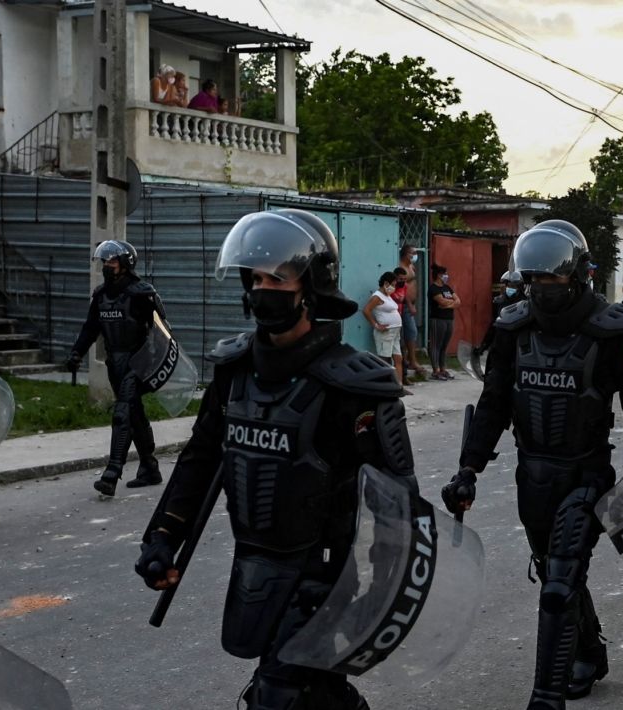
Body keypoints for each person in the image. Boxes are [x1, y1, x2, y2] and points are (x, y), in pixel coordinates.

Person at [135, 208, 414, 709]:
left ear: (310, 287)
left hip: (325, 571)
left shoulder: (353, 384)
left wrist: (386, 590)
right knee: (319, 690)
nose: (264, 288)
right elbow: (200, 458)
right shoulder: (235, 371)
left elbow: (399, 498)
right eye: (257, 277)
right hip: (256, 565)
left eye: (278, 278)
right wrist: (163, 537)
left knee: (278, 692)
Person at [444, 220, 623, 708]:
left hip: (587, 474)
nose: (543, 287)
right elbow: (494, 402)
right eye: (535, 279)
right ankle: (589, 651)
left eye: (552, 278)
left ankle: (546, 696)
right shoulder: (514, 329)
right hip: (531, 478)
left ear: (578, 275)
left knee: (559, 583)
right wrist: (468, 469)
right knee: (555, 570)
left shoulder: (613, 331)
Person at [64, 240, 166, 495]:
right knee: (134, 415)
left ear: (125, 264)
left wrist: (154, 362)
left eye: (111, 261)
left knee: (122, 414)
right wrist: (77, 352)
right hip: (115, 364)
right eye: (104, 261)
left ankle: (112, 473)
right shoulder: (101, 296)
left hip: (138, 363)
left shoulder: (142, 293)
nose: (106, 266)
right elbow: (91, 328)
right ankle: (150, 467)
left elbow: (162, 331)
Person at [362, 270, 407, 392]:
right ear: (386, 283)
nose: (394, 287)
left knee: (398, 358)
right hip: (385, 333)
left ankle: (399, 384)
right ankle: (384, 385)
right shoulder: (377, 296)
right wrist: (376, 325)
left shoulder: (388, 296)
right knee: (385, 360)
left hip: (395, 332)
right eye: (392, 284)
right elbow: (366, 310)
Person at [475, 270, 524, 355]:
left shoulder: (524, 302)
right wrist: (484, 345)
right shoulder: (500, 301)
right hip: (500, 340)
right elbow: (493, 324)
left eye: (513, 286)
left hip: (517, 342)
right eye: (508, 285)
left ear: (519, 287)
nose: (510, 288)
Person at [398, 246, 427, 377]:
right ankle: (411, 360)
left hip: (412, 304)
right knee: (411, 332)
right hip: (405, 305)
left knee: (409, 333)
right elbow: (403, 288)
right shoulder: (401, 267)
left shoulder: (411, 267)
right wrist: (409, 304)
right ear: (405, 254)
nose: (415, 255)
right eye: (413, 253)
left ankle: (409, 359)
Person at [428, 263, 460, 380]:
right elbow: (441, 302)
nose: (446, 276)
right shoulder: (433, 288)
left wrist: (448, 305)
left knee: (444, 345)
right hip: (438, 319)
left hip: (449, 319)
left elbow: (458, 301)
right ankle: (435, 371)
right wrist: (451, 303)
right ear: (439, 275)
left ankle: (443, 369)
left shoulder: (447, 288)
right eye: (444, 274)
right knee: (436, 344)